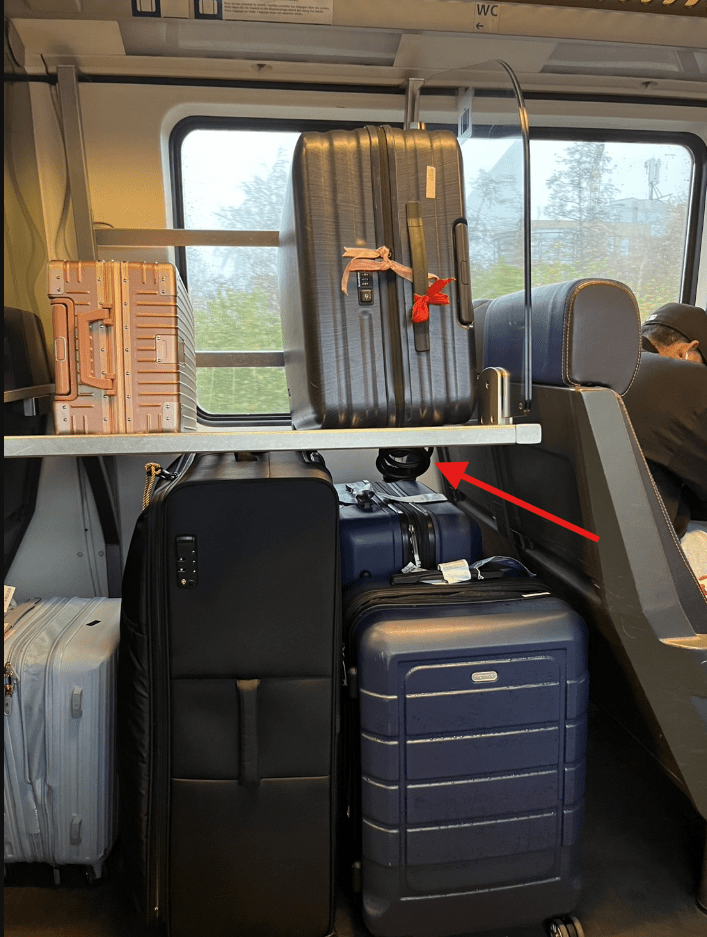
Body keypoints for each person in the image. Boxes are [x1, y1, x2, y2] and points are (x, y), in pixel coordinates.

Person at [622, 303, 707, 593]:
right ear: (687, 352)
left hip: (598, 546)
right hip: (653, 555)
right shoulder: (685, 382)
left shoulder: (613, 365)